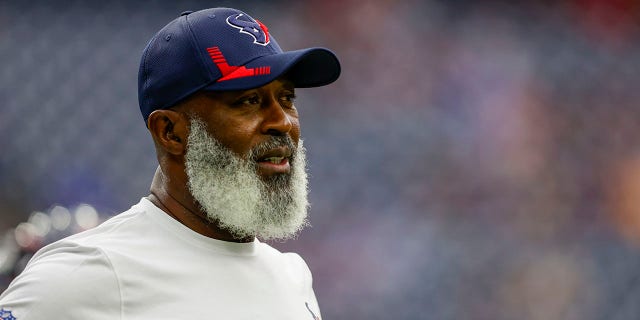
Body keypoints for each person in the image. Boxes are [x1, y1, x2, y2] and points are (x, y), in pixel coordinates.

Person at [0, 7, 340, 319]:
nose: (282, 122)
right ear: (170, 132)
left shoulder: (292, 277)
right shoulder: (92, 273)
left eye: (287, 99)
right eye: (249, 100)